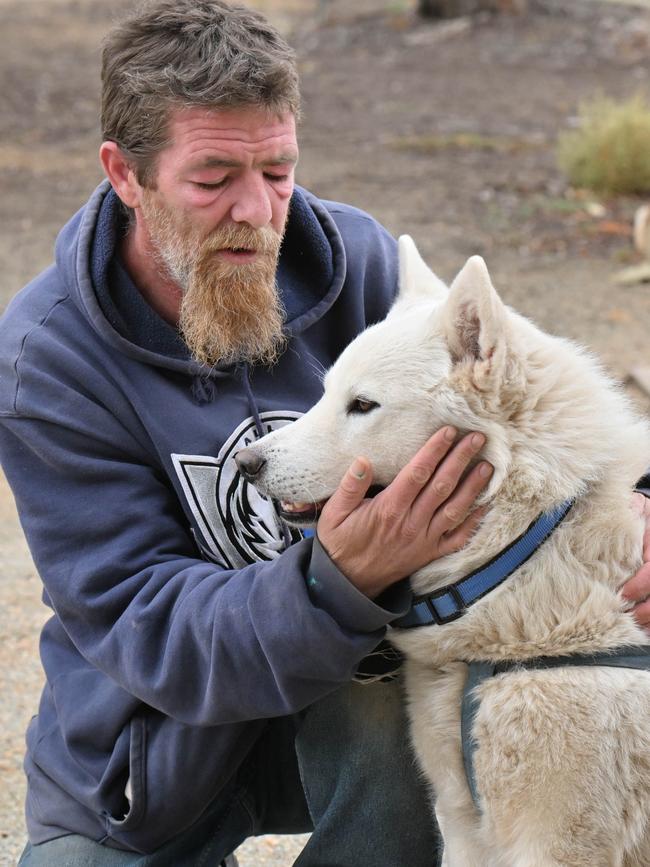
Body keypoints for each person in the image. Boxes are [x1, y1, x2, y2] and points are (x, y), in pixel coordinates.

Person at [1, 1, 648, 865]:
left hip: (344, 696)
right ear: (126, 175)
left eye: (277, 170)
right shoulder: (46, 359)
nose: (256, 211)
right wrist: (340, 577)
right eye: (213, 178)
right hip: (157, 748)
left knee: (415, 698)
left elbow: (534, 407)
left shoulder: (358, 261)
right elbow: (144, 620)